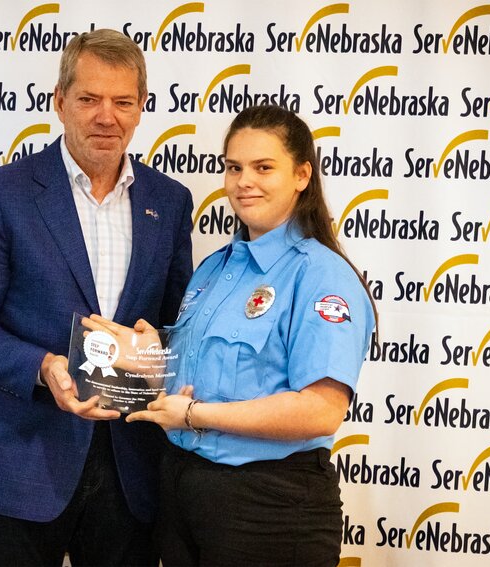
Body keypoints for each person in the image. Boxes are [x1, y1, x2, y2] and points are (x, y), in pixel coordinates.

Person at [0, 29, 193, 566]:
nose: (106, 116)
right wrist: (44, 366)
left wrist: (156, 349)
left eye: (123, 102)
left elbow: (177, 329)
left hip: (131, 475)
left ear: (142, 107)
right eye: (89, 99)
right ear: (59, 101)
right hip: (21, 469)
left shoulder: (169, 201)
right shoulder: (1, 193)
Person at [121, 104, 377, 566]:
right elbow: (195, 375)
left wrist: (197, 414)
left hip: (268, 506)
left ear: (302, 175)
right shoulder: (215, 268)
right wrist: (150, 357)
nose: (244, 181)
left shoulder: (321, 276)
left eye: (263, 167)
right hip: (186, 493)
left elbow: (321, 411)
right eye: (234, 167)